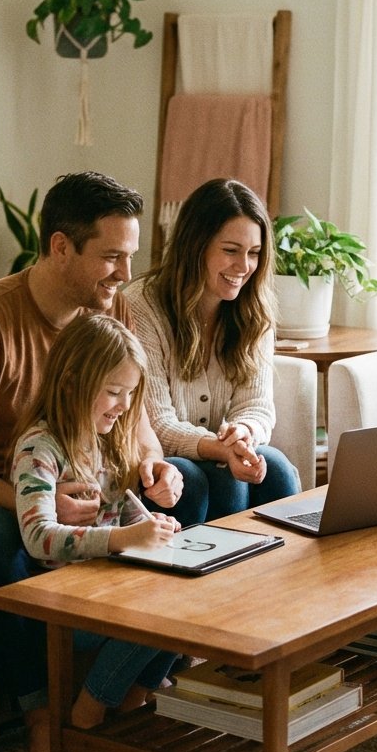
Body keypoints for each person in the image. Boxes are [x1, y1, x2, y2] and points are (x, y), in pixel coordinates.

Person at [0, 171, 184, 752]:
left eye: (129, 257)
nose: (125, 276)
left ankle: (128, 678)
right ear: (60, 248)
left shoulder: (109, 307)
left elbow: (135, 416)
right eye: (110, 257)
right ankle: (40, 713)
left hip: (68, 477)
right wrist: (39, 504)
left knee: (189, 494)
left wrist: (152, 465)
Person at [10, 313, 180, 752]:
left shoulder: (101, 441)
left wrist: (149, 522)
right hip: (64, 597)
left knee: (190, 592)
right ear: (71, 382)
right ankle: (85, 717)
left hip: (103, 582)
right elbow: (39, 537)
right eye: (113, 392)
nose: (124, 406)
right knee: (152, 609)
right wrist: (125, 539)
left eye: (130, 394)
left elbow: (119, 502)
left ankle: (133, 697)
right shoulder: (39, 448)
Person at [124, 177, 302, 523]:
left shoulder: (255, 312)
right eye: (231, 251)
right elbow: (157, 423)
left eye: (254, 253)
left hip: (219, 451)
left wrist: (243, 434)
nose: (244, 267)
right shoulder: (142, 307)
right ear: (196, 246)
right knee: (201, 478)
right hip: (159, 459)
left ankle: (288, 574)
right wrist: (220, 447)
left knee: (276, 468)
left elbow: (257, 405)